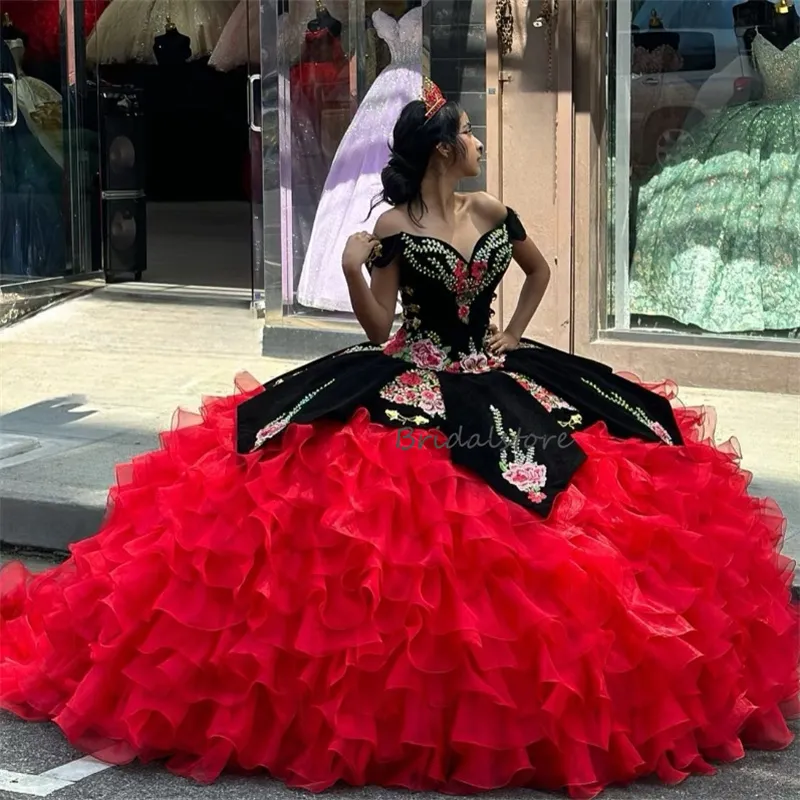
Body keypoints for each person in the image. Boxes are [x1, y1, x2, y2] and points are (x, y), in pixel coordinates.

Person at [1, 80, 797, 799]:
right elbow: (382, 329)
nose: (481, 141)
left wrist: (515, 335)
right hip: (409, 375)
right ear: (444, 148)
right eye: (472, 132)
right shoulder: (391, 226)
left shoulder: (490, 213)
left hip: (490, 370)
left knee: (582, 472)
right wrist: (354, 269)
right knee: (369, 517)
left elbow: (540, 271)